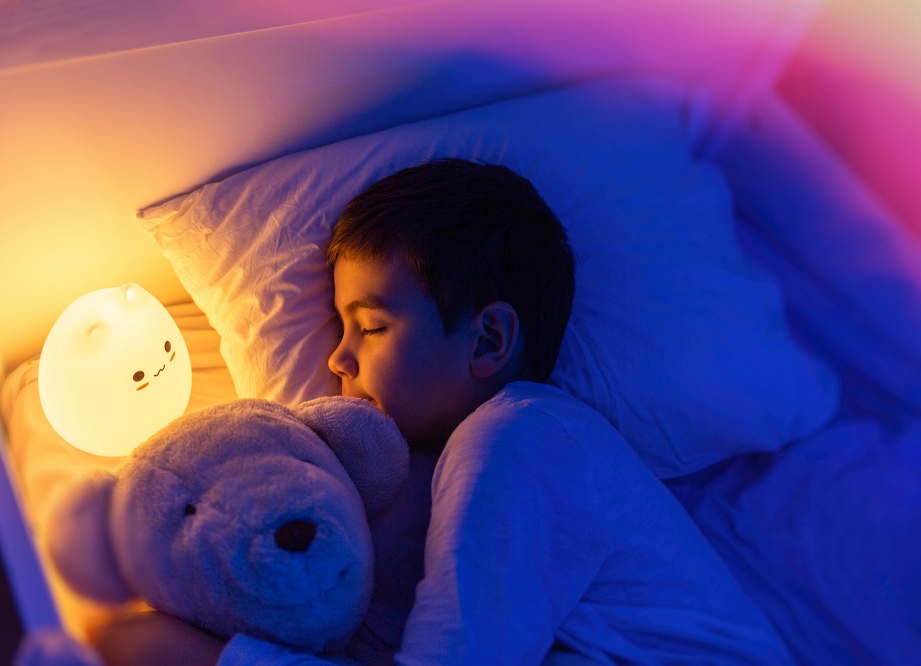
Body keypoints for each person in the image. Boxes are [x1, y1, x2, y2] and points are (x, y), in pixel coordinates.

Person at [91, 159, 791, 665]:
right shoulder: (454, 469)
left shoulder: (520, 438)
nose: (338, 360)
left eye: (369, 327)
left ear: (488, 339)